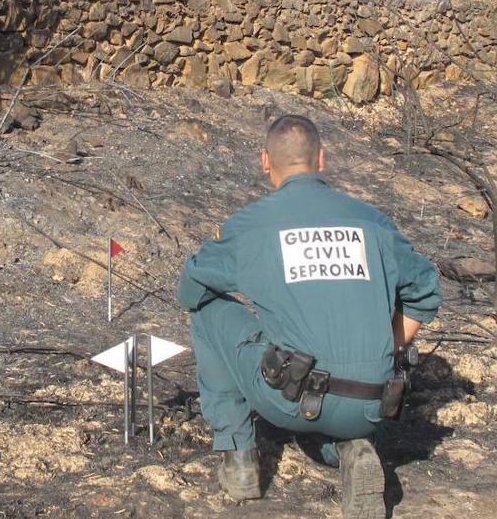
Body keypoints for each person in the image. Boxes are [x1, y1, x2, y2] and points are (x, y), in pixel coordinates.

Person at [177, 114, 441, 517]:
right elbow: (425, 293)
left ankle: (239, 457)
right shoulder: (370, 220)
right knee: (340, 403)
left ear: (266, 161)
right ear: (323, 158)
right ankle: (351, 445)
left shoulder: (252, 224)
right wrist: (390, 348)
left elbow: (190, 290)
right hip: (374, 403)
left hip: (291, 398)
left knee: (208, 309)